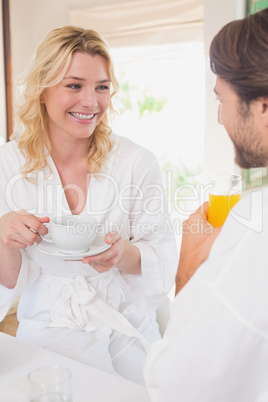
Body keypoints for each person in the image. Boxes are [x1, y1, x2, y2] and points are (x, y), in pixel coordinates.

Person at [0, 26, 178, 385]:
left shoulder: (135, 162)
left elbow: (162, 253)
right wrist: (3, 235)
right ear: (42, 91)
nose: (91, 102)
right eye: (74, 85)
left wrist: (122, 255)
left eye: (102, 87)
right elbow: (9, 279)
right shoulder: (8, 163)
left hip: (125, 329)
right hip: (46, 333)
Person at [144, 8, 268, 401]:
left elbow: (175, 384)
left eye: (223, 99)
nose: (219, 117)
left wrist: (187, 276)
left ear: (263, 107)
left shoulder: (255, 230)